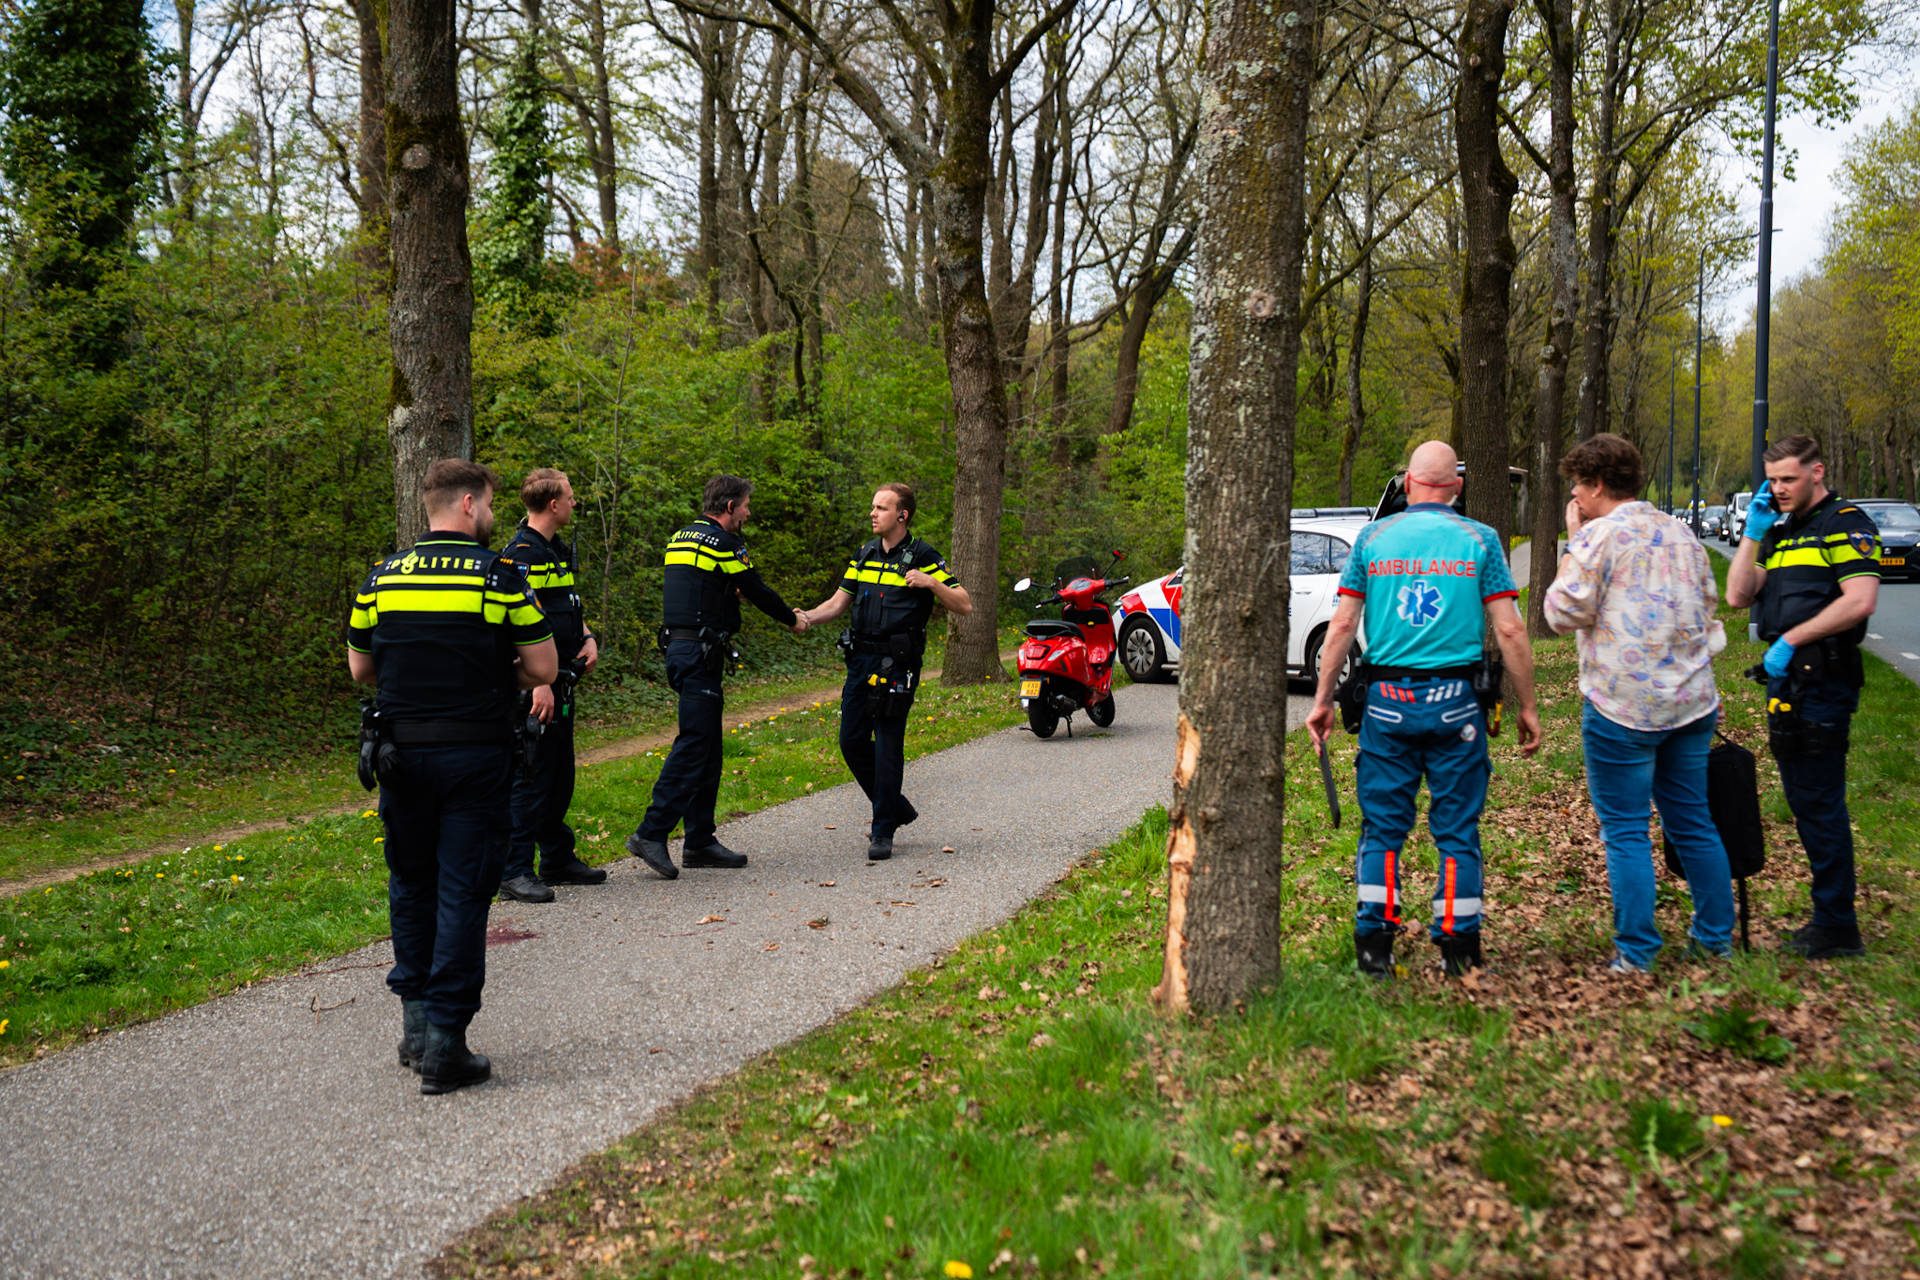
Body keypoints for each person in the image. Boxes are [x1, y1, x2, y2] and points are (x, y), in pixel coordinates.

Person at [347, 459, 558, 1094]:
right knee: (463, 891)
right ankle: (445, 1041)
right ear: (468, 504)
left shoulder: (381, 579)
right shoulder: (499, 577)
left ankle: (414, 1029)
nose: (493, 515)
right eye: (490, 503)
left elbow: (361, 670)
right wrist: (499, 677)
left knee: (411, 885)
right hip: (475, 757)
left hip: (402, 758)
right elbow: (543, 665)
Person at [1306, 441, 1542, 979]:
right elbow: (1509, 627)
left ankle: (1374, 948)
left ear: (1408, 485)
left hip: (1387, 709)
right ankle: (1460, 949)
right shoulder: (1479, 540)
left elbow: (1341, 626)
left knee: (1384, 830)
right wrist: (1527, 705)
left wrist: (1323, 700)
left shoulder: (1373, 538)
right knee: (1458, 831)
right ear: (1456, 489)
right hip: (1457, 707)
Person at [1542, 434, 1734, 974]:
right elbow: (1708, 604)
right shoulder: (1682, 534)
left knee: (1625, 829)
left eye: (1578, 485)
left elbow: (1560, 613)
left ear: (1597, 485)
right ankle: (1715, 939)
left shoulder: (1596, 536)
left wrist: (1575, 541)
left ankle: (1637, 950)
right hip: (1690, 703)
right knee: (1693, 822)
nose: (1575, 495)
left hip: (1620, 705)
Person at [1726, 433, 1882, 959]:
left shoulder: (1846, 523)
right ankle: (1830, 916)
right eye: (1771, 481)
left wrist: (1791, 639)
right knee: (1804, 800)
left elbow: (1860, 601)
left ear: (1818, 472)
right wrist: (1753, 534)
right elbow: (1737, 594)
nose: (1780, 489)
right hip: (1789, 685)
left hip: (1823, 680)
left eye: (1789, 478)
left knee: (1819, 803)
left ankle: (1838, 926)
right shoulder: (1783, 531)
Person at [626, 475, 804, 879]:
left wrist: (726, 593)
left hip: (681, 649)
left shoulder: (681, 537)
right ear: (728, 507)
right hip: (699, 652)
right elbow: (756, 588)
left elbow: (697, 590)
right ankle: (651, 832)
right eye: (744, 506)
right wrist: (792, 619)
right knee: (695, 743)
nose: (748, 513)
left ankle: (700, 840)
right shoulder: (725, 542)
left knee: (708, 746)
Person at [798, 484, 972, 861]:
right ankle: (895, 806)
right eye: (873, 507)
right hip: (860, 660)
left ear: (902, 515)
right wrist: (805, 618)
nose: (873, 513)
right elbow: (837, 603)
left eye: (881, 508)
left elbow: (965, 604)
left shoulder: (924, 556)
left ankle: (882, 830)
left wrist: (931, 582)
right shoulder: (865, 554)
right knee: (851, 741)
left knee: (888, 744)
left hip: (898, 664)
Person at [498, 468, 604, 904]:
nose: (575, 503)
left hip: (562, 680)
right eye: (571, 497)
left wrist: (587, 636)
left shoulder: (554, 550)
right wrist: (536, 681)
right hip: (536, 687)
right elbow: (513, 623)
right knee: (529, 776)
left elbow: (563, 607)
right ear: (553, 504)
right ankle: (513, 869)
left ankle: (557, 858)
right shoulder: (521, 554)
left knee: (559, 774)